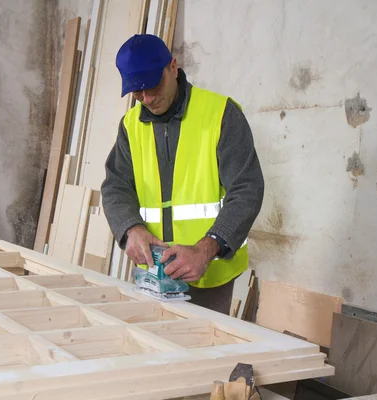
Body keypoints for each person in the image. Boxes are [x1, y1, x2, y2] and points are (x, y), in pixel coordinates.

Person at [100, 34, 264, 314]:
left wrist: (205, 249)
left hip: (207, 273)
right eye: (138, 93)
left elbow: (246, 189)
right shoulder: (130, 126)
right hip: (153, 274)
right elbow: (116, 186)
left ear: (173, 68)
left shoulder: (220, 114)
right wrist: (130, 229)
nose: (148, 98)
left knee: (204, 352)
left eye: (153, 86)